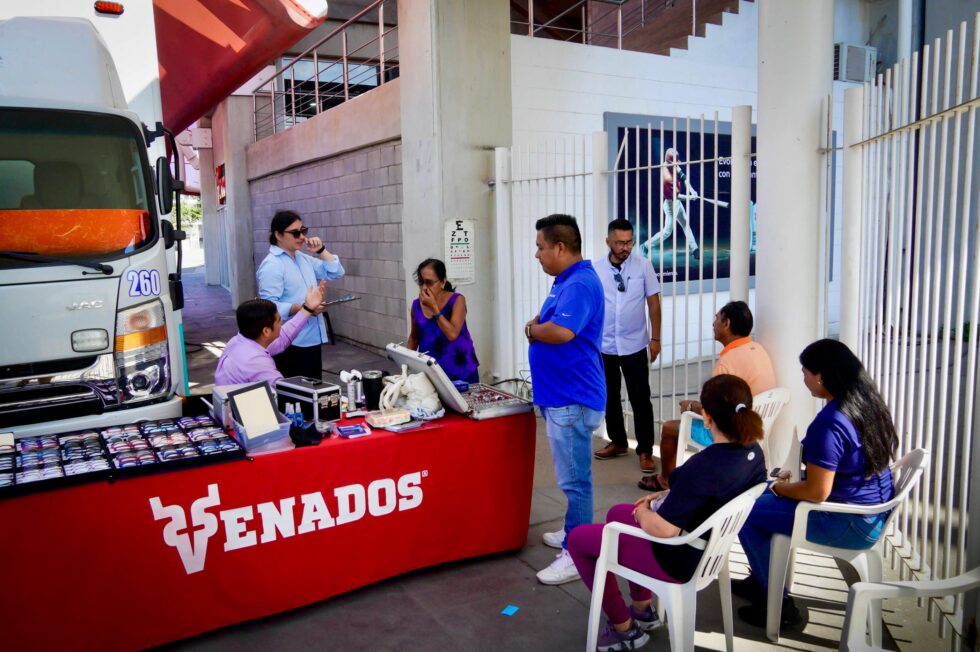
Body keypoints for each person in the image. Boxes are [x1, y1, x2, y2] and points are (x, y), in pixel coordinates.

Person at [567, 375, 767, 651]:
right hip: (708, 548)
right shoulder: (753, 453)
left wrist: (643, 511)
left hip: (677, 558)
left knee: (579, 539)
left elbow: (664, 529)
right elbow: (710, 493)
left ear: (707, 417)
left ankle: (624, 629)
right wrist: (663, 496)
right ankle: (642, 610)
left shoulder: (703, 466)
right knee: (616, 513)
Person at [735, 339, 898, 629]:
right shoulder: (866, 404)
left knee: (745, 509)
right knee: (758, 499)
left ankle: (778, 603)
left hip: (845, 521)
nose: (804, 379)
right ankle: (762, 579)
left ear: (821, 376)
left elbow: (817, 491)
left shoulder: (832, 422)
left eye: (805, 372)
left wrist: (779, 488)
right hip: (869, 515)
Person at [526, 214, 606, 586]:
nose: (537, 254)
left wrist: (532, 329)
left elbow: (559, 330)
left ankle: (577, 552)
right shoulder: (566, 281)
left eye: (541, 247)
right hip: (563, 395)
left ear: (560, 247)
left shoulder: (580, 284)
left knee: (576, 481)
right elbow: (549, 321)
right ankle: (574, 528)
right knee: (572, 477)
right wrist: (538, 326)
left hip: (572, 399)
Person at [639, 300, 775, 492]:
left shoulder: (727, 363)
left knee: (669, 428)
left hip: (733, 433)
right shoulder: (758, 349)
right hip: (757, 425)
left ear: (727, 324)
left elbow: (713, 415)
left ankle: (665, 480)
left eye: (716, 318)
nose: (713, 324)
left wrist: (690, 406)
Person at [594, 219, 662, 474]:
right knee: (609, 396)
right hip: (605, 345)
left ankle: (645, 450)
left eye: (629, 242)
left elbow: (653, 304)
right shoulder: (596, 269)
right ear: (608, 241)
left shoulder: (643, 266)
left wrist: (655, 339)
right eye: (620, 242)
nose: (625, 247)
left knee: (640, 398)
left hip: (634, 344)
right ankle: (618, 441)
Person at [257, 210, 344, 380]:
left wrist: (321, 250)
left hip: (311, 338)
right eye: (295, 233)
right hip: (290, 342)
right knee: (296, 392)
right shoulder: (272, 264)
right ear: (278, 235)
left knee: (313, 389)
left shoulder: (302, 258)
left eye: (303, 231)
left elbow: (336, 272)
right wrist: (304, 309)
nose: (302, 237)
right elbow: (268, 306)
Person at [215, 282, 325, 386]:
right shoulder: (256, 362)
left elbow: (284, 336)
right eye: (279, 321)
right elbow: (283, 391)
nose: (281, 324)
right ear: (266, 331)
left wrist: (307, 308)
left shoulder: (238, 341)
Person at [406, 258, 479, 383]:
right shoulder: (416, 305)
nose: (424, 287)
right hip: (431, 371)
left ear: (442, 282)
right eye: (421, 282)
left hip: (460, 370)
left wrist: (434, 308)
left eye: (429, 283)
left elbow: (452, 334)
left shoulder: (457, 300)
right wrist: (406, 367)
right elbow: (414, 337)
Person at [639, 147, 700, 262]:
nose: (677, 165)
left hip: (677, 202)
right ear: (669, 162)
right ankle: (645, 246)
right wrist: (690, 197)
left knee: (685, 224)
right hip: (670, 204)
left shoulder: (672, 164)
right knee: (667, 232)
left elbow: (683, 177)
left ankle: (694, 249)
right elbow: (676, 196)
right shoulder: (667, 178)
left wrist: (692, 191)